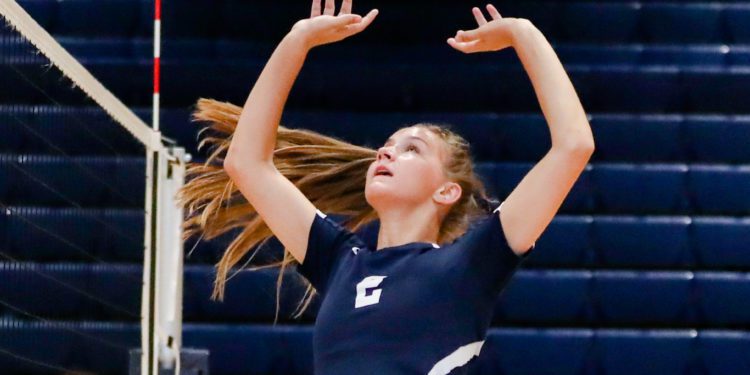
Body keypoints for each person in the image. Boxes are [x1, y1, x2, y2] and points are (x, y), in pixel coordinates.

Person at [177, 0, 594, 373]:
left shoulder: (471, 262)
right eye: (387, 145)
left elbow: (574, 145)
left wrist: (523, 33)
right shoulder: (341, 260)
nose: (385, 153)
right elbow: (246, 162)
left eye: (411, 149)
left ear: (446, 191)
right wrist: (296, 41)